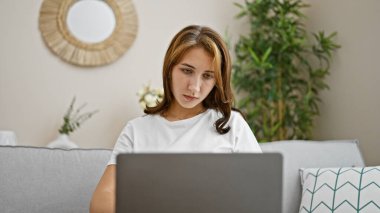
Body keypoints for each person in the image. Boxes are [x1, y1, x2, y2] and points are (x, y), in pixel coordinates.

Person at [89, 25, 262, 213]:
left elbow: (260, 195)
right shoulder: (136, 130)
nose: (194, 87)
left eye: (207, 76)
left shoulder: (231, 124)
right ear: (170, 68)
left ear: (217, 81)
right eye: (187, 71)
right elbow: (101, 201)